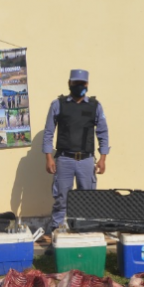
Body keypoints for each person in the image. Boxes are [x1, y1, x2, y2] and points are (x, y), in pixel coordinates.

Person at [42, 69, 109, 235]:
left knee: (86, 201)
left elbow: (103, 132)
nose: (78, 86)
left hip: (86, 160)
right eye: (75, 83)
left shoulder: (95, 106)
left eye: (82, 83)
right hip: (64, 159)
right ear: (69, 84)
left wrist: (103, 158)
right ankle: (56, 234)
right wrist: (48, 157)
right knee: (61, 200)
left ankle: (84, 234)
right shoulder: (58, 104)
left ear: (87, 85)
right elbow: (49, 132)